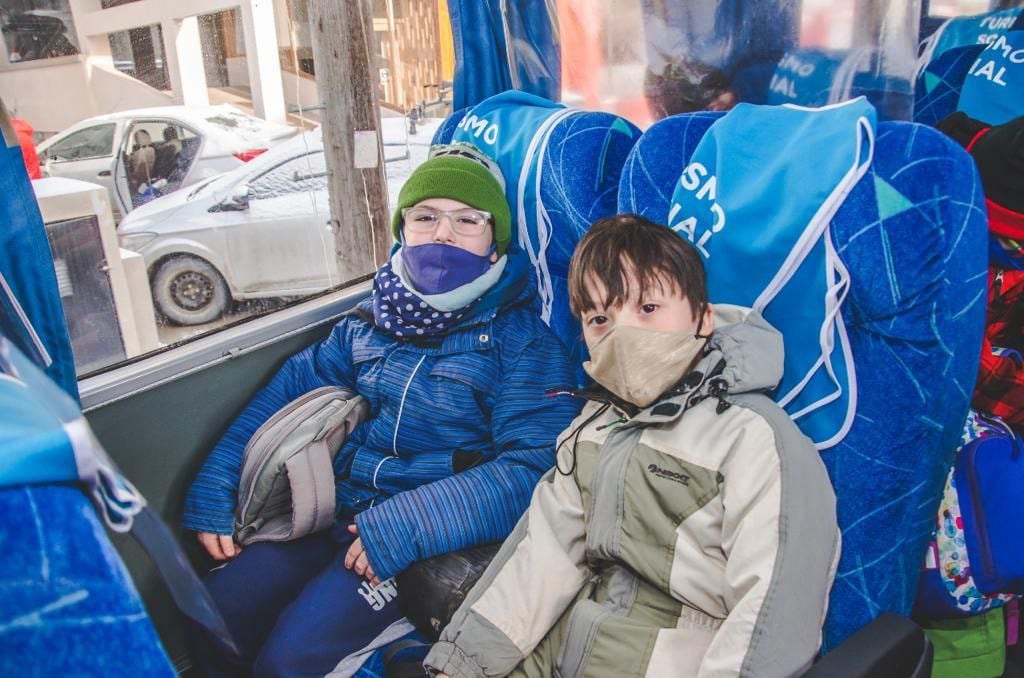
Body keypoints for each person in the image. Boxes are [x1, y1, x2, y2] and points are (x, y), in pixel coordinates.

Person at [183, 150, 582, 676]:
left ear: (494, 246)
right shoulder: (368, 323)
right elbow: (287, 393)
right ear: (403, 231)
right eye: (425, 217)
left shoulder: (523, 343)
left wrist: (407, 525)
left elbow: (538, 465)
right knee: (216, 614)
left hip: (425, 540)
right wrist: (217, 486)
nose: (443, 234)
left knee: (292, 662)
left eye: (468, 221)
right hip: (336, 510)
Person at [425, 214, 840, 677]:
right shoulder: (593, 426)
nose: (624, 334)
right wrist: (463, 664)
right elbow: (543, 554)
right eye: (600, 319)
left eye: (647, 309)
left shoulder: (754, 440)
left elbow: (773, 610)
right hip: (567, 646)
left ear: (702, 319)